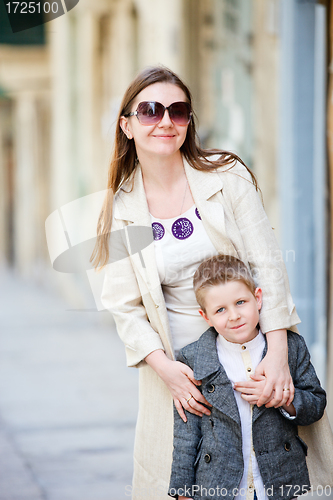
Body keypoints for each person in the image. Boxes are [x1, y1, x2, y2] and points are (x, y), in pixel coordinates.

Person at [93, 66, 333, 499]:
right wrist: (168, 372)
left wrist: (278, 351)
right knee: (193, 474)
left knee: (271, 464)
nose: (165, 121)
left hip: (253, 347)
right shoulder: (121, 206)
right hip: (180, 363)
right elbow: (123, 307)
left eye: (178, 110)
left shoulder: (228, 177)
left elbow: (268, 267)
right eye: (149, 111)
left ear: (188, 122)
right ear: (126, 125)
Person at [168, 254, 326, 500]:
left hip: (276, 482)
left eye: (240, 302)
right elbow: (185, 434)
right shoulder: (193, 358)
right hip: (218, 484)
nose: (233, 316)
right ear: (205, 316)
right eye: (220, 309)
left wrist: (283, 399)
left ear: (258, 298)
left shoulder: (290, 347)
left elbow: (316, 404)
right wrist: (183, 491)